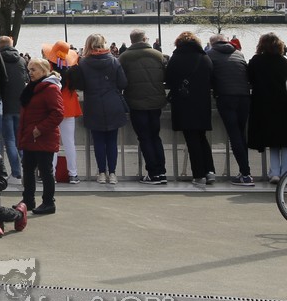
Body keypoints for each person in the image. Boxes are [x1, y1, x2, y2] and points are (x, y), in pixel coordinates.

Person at [72, 33, 129, 184]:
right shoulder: (114, 61)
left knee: (98, 141)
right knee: (112, 141)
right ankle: (113, 173)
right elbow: (123, 82)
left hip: (93, 104)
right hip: (112, 103)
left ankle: (102, 173)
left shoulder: (83, 63)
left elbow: (80, 85)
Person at [118, 29, 169, 184]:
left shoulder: (124, 57)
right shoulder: (158, 55)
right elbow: (165, 76)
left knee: (144, 137)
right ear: (145, 39)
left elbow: (121, 81)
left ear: (131, 40)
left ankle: (153, 173)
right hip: (156, 102)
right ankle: (161, 172)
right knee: (155, 136)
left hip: (136, 102)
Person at [166, 31, 216, 187]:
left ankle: (199, 175)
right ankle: (210, 171)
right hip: (202, 102)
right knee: (202, 137)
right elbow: (212, 77)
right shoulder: (204, 57)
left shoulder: (176, 58)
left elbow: (168, 78)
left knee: (191, 138)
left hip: (184, 103)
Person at [206, 33, 254, 185]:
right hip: (244, 96)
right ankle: (245, 172)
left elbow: (208, 76)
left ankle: (245, 174)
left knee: (234, 135)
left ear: (212, 43)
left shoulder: (210, 54)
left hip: (226, 97)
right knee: (241, 134)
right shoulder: (238, 53)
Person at [18, 57, 63, 215]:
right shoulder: (33, 87)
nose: (30, 73)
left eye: (33, 69)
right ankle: (28, 200)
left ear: (44, 71)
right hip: (31, 135)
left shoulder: (50, 89)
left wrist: (40, 129)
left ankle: (49, 202)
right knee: (28, 169)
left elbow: (57, 113)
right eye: (29, 70)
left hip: (42, 136)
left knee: (45, 171)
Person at [246, 33, 287, 184]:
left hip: (262, 104)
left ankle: (274, 172)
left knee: (272, 141)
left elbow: (249, 78)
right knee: (284, 141)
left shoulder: (256, 61)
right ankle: (284, 173)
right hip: (282, 103)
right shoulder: (283, 61)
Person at [45, 41, 82, 183]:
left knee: (52, 143)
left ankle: (51, 174)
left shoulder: (48, 69)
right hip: (69, 108)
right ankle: (73, 174)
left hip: (52, 109)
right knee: (69, 143)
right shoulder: (73, 70)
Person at [0, 35, 27, 180]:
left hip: (5, 105)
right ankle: (27, 167)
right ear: (12, 43)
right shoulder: (21, 60)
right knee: (20, 139)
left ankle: (16, 172)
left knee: (9, 140)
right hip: (20, 105)